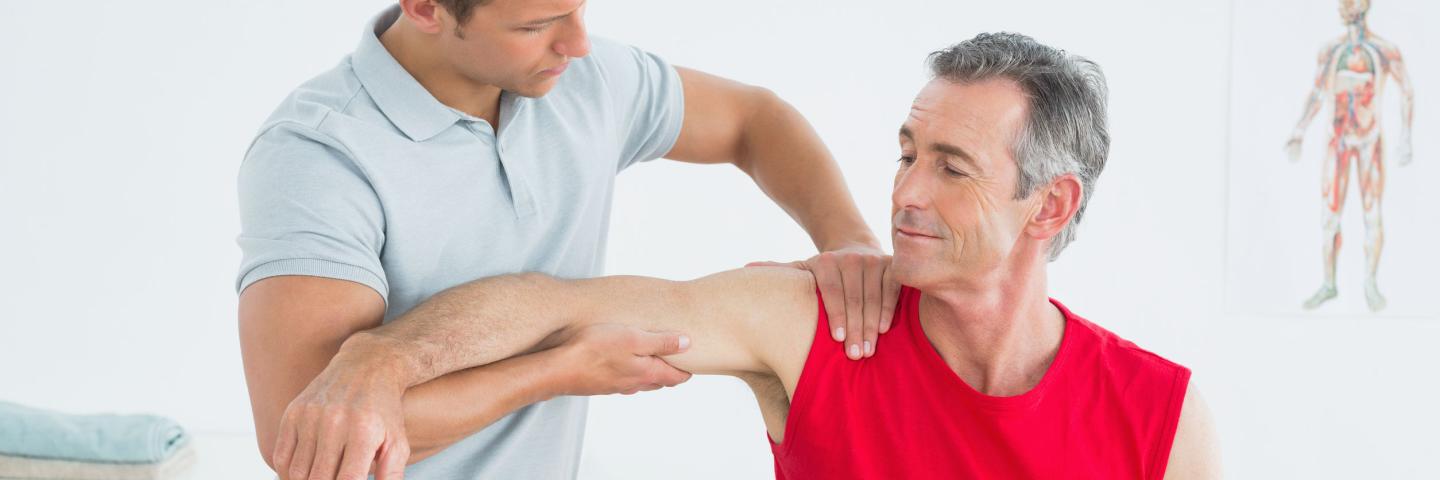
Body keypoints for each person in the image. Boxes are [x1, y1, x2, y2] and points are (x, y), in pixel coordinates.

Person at [280, 33, 1223, 479]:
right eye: (904, 154)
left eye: (951, 167)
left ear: (1049, 205)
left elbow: (754, 119)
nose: (904, 193)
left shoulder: (1161, 418)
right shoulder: (814, 323)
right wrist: (381, 355)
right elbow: (556, 304)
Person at [236, 0, 897, 479]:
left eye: (579, 7)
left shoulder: (584, 80)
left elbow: (755, 120)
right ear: (425, 8)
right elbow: (310, 437)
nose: (576, 42)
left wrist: (851, 240)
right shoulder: (318, 156)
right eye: (536, 24)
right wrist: (557, 371)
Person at [1284, 0, 1415, 312]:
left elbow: (1407, 90)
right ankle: (1329, 283)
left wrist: (1406, 137)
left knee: (1372, 212)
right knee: (1330, 213)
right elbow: (1317, 92)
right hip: (1338, 139)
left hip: (1369, 139)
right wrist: (1300, 130)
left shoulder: (1384, 49)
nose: (1341, 7)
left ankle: (1370, 281)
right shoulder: (1330, 49)